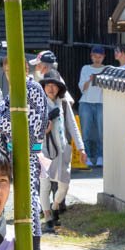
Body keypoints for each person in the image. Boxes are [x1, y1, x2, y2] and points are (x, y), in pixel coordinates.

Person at [0, 56, 50, 250]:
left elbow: (15, 119)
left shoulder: (32, 88)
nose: (9, 76)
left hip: (29, 150)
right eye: (6, 72)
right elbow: (1, 111)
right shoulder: (14, 91)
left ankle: (35, 247)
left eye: (12, 72)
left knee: (29, 195)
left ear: (25, 70)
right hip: (10, 150)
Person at [39, 70, 87, 233]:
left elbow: (73, 126)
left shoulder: (64, 104)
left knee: (64, 186)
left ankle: (55, 206)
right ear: (43, 87)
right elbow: (31, 129)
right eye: (48, 85)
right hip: (44, 150)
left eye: (54, 85)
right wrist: (43, 127)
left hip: (62, 149)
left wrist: (81, 148)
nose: (51, 88)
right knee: (44, 185)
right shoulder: (39, 105)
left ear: (59, 88)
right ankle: (48, 218)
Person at [78, 46, 106, 167]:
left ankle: (100, 157)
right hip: (86, 102)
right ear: (91, 56)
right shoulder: (85, 68)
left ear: (103, 57)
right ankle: (87, 157)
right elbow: (82, 88)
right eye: (95, 56)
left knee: (102, 132)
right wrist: (90, 80)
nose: (97, 59)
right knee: (85, 131)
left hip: (101, 102)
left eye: (99, 57)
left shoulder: (107, 69)